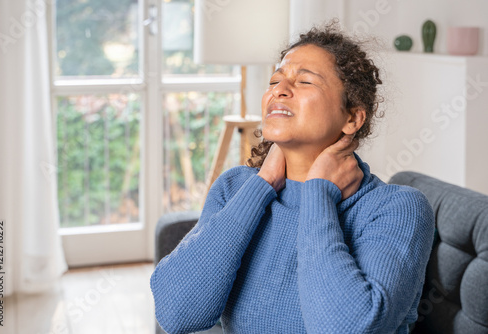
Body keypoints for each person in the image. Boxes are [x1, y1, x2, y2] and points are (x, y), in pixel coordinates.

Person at [151, 22, 435, 334]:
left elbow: (347, 328)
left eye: (305, 82)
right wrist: (261, 185)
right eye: (275, 80)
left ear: (352, 117)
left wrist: (318, 193)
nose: (279, 90)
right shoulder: (235, 188)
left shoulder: (397, 207)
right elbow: (176, 314)